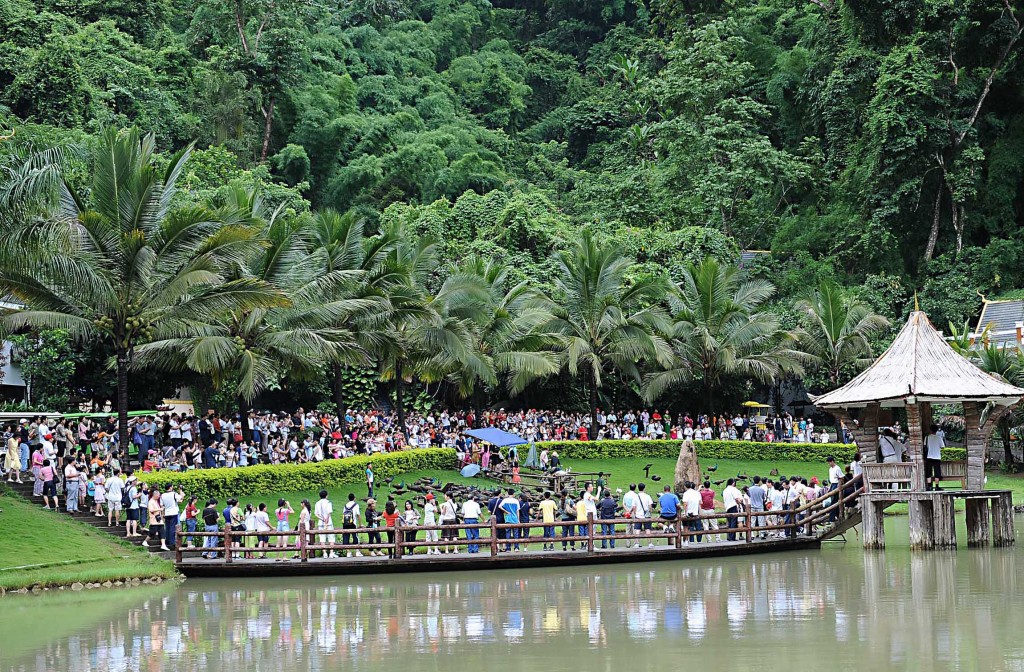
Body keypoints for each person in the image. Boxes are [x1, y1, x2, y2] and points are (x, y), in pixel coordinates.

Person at [315, 490, 337, 558]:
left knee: (322, 538)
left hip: (321, 523)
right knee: (331, 537)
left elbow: (316, 514)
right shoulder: (328, 502)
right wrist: (326, 520)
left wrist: (322, 519)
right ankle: (331, 553)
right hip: (329, 523)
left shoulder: (317, 503)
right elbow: (329, 512)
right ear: (326, 495)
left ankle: (324, 553)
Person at [160, 486, 183, 550]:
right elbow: (181, 498)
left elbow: (162, 505)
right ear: (170, 488)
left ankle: (167, 540)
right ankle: (172, 543)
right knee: (173, 528)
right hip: (174, 512)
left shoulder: (162, 495)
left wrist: (163, 514)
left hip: (167, 513)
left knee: (167, 527)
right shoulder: (174, 494)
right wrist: (181, 490)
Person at [924, 424, 945, 491]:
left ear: (930, 430)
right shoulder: (939, 438)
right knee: (937, 472)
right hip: (937, 456)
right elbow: (942, 447)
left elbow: (925, 445)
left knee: (928, 472)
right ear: (937, 430)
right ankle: (937, 486)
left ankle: (929, 486)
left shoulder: (927, 437)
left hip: (929, 456)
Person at [636, 483, 654, 547]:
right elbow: (650, 506)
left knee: (637, 529)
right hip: (646, 515)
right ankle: (650, 543)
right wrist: (650, 512)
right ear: (644, 488)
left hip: (638, 515)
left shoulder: (636, 496)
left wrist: (636, 513)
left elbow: (634, 506)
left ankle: (637, 543)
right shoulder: (647, 496)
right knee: (648, 529)